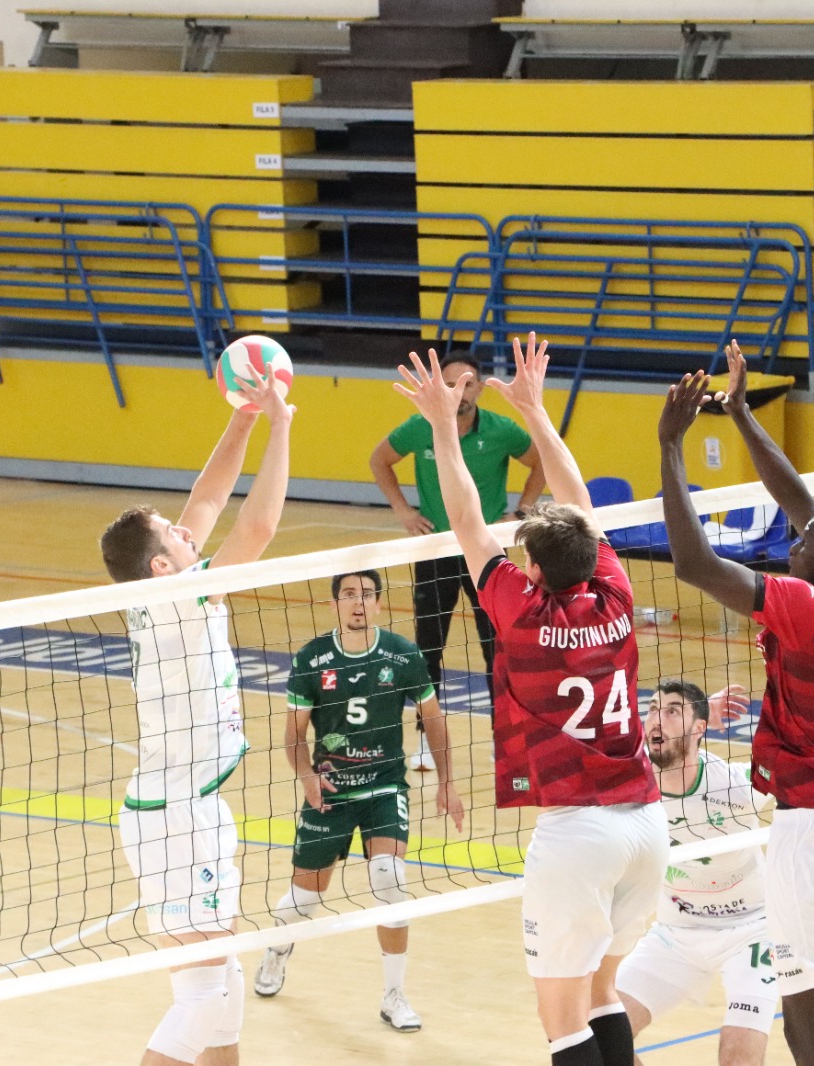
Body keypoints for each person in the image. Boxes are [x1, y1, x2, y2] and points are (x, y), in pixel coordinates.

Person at [394, 332, 664, 1066]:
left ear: (536, 571)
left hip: (578, 833)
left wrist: (441, 426)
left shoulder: (521, 611)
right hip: (646, 823)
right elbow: (578, 502)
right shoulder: (615, 593)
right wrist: (536, 411)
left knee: (563, 1022)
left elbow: (465, 521)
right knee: (603, 995)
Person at [659, 341, 814, 1066]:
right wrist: (738, 414)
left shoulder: (810, 607)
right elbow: (805, 505)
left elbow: (693, 563)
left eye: (803, 545)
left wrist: (671, 446)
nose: (792, 545)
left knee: (806, 1030)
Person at [98, 371, 294, 1066]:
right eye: (173, 535)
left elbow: (208, 499)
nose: (188, 531)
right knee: (206, 999)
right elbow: (258, 526)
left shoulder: (160, 587)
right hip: (177, 817)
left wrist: (243, 419)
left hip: (186, 806)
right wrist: (281, 425)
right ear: (161, 564)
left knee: (223, 989)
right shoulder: (183, 596)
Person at [254, 568, 466, 1031]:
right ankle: (277, 949)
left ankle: (394, 995)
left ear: (379, 603)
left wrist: (446, 782)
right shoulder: (312, 659)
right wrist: (306, 776)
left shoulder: (403, 654)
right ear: (334, 604)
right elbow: (293, 735)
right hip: (331, 789)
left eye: (367, 594)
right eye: (349, 594)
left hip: (384, 786)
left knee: (390, 880)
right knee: (304, 900)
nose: (358, 602)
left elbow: (434, 720)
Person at [370, 347, 546, 770]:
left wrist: (522, 511)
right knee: (428, 648)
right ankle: (427, 741)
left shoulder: (502, 430)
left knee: (497, 648)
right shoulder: (420, 427)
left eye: (466, 384)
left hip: (488, 554)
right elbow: (380, 460)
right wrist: (403, 511)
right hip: (436, 551)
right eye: (449, 384)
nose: (458, 392)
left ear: (480, 388)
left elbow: (540, 461)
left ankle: (505, 738)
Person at [615, 680, 776, 1066]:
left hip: (753, 931)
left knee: (737, 1056)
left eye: (672, 711)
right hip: (675, 935)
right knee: (601, 1039)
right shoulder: (629, 784)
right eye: (652, 710)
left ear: (700, 727)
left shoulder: (737, 786)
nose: (658, 719)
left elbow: (798, 774)